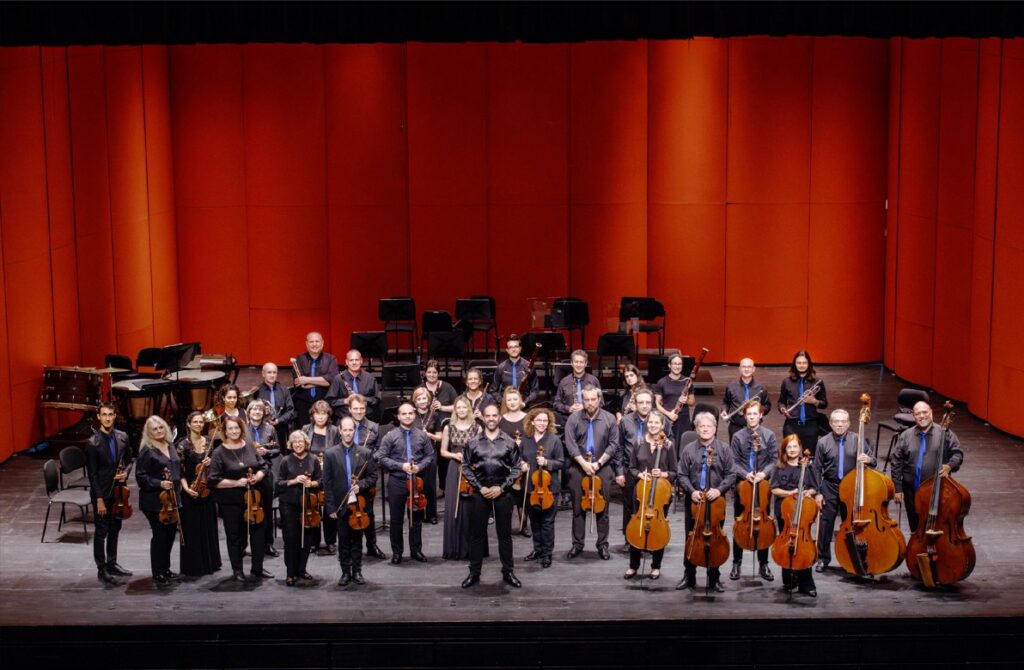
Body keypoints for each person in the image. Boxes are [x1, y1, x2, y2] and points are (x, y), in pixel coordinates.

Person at [460, 404, 523, 589]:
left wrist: (501, 488)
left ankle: (508, 572)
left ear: (499, 418)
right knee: (477, 535)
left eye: (494, 415)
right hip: (480, 493)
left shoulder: (509, 442)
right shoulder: (473, 442)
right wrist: (480, 488)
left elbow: (517, 468)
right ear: (484, 418)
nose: (491, 419)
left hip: (502, 493)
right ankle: (474, 573)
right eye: (488, 416)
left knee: (505, 535)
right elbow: (465, 467)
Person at [675, 412, 736, 592]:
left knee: (715, 540)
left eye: (709, 426)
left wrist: (718, 490)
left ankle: (714, 578)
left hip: (716, 502)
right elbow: (681, 474)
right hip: (694, 501)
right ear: (696, 429)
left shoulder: (724, 449)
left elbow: (731, 474)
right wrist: (692, 491)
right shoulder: (689, 449)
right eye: (701, 426)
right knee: (691, 538)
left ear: (715, 429)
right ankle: (689, 576)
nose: (705, 429)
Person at [208, 415, 271, 582]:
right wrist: (237, 483)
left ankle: (257, 568)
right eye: (230, 428)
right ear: (225, 431)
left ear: (241, 429)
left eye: (236, 428)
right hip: (231, 501)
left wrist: (257, 476)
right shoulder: (219, 452)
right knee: (235, 535)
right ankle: (237, 570)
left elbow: (264, 466)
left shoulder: (249, 446)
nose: (234, 431)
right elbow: (213, 480)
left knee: (258, 533)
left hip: (254, 498)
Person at [813, 409, 875, 572]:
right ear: (830, 423)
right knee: (825, 524)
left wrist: (868, 459)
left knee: (852, 524)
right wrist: (818, 492)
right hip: (830, 486)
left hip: (851, 487)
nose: (839, 425)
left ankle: (853, 559)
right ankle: (823, 558)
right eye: (836, 421)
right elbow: (817, 469)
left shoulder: (858, 439)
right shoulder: (823, 442)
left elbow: (873, 461)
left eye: (843, 421)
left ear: (848, 423)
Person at [563, 384, 621, 560]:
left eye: (593, 399)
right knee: (578, 508)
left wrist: (598, 463)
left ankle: (602, 545)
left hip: (602, 466)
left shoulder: (609, 419)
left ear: (599, 399)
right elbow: (570, 444)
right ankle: (577, 544)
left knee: (602, 509)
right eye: (586, 399)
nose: (589, 403)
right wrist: (583, 464)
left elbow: (613, 444)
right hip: (578, 466)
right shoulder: (573, 419)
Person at [891, 401, 964, 533]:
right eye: (918, 413)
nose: (922, 416)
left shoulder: (945, 433)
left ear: (931, 413)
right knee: (915, 529)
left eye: (925, 412)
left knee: (936, 528)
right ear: (914, 416)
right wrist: (898, 488)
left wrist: (949, 466)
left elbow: (957, 454)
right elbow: (896, 461)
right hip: (911, 491)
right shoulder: (906, 435)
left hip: (937, 491)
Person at [376, 403, 434, 564]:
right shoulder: (390, 436)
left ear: (414, 415)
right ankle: (397, 552)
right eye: (404, 414)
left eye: (410, 413)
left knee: (416, 519)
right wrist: (400, 466)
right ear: (398, 416)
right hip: (397, 480)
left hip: (417, 481)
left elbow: (429, 456)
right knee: (396, 519)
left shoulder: (422, 436)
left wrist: (419, 467)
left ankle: (416, 550)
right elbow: (382, 458)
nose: (408, 416)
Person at [323, 417, 378, 586]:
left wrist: (360, 485)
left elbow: (373, 477)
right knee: (343, 540)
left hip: (359, 504)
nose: (348, 433)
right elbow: (327, 483)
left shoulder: (365, 452)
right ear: (340, 431)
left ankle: (357, 571)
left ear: (354, 431)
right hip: (340, 504)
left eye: (350, 430)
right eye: (345, 430)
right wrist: (330, 507)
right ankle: (345, 572)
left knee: (357, 540)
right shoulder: (330, 454)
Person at [728, 401, 778, 581]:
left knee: (763, 525)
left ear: (761, 415)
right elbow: (733, 462)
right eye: (748, 414)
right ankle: (737, 562)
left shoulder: (769, 435)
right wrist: (745, 474)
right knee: (739, 524)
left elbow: (774, 460)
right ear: (744, 416)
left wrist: (763, 474)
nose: (751, 417)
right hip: (743, 486)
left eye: (755, 414)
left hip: (762, 486)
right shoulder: (738, 436)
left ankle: (763, 564)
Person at [84, 402, 133, 584]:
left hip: (119, 492)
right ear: (98, 417)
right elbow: (92, 475)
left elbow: (130, 461)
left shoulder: (123, 437)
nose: (107, 418)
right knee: (101, 531)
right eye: (104, 414)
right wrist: (99, 499)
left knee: (115, 528)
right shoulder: (92, 443)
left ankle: (112, 563)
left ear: (114, 416)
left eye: (110, 414)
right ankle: (102, 568)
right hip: (102, 494)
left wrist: (126, 472)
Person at [624, 411, 676, 580]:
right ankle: (633, 566)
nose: (653, 425)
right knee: (637, 527)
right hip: (641, 491)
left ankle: (656, 566)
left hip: (661, 493)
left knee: (658, 528)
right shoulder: (639, 442)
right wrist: (640, 474)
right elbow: (631, 468)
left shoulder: (668, 445)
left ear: (662, 425)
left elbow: (674, 471)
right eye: (650, 422)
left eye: (656, 423)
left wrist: (663, 474)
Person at [617, 389, 673, 539]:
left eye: (648, 402)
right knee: (630, 508)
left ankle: (653, 537)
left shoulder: (662, 421)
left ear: (652, 403)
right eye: (641, 402)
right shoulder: (625, 421)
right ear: (635, 404)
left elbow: (669, 444)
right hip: (632, 470)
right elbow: (619, 447)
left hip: (656, 475)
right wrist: (620, 471)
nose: (644, 405)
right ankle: (630, 539)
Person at [134, 415, 183, 587]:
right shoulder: (147, 451)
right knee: (160, 536)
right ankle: (158, 572)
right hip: (154, 501)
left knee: (169, 535)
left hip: (172, 499)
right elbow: (141, 478)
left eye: (161, 427)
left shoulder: (170, 445)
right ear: (148, 433)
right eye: (154, 429)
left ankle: (166, 568)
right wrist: (159, 483)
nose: (159, 431)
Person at [770, 434, 819, 597]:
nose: (792, 450)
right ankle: (789, 581)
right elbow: (774, 489)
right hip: (785, 511)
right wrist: (790, 493)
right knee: (787, 543)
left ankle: (806, 584)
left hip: (803, 511)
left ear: (800, 448)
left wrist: (808, 492)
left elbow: (814, 487)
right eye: (788, 447)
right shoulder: (779, 467)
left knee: (803, 545)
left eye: (795, 446)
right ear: (784, 449)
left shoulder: (808, 466)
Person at [176, 411, 222, 578]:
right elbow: (179, 471)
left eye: (201, 422)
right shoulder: (182, 445)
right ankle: (194, 566)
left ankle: (210, 563)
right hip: (190, 490)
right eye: (195, 422)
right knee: (192, 529)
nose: (198, 424)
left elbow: (216, 468)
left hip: (206, 490)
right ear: (188, 424)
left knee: (208, 527)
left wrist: (211, 462)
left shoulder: (209, 442)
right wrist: (186, 489)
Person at [275, 431, 321, 586]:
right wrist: (294, 481)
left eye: (300, 441)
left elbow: (321, 480)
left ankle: (302, 569)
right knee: (291, 538)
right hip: (289, 504)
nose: (298, 444)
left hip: (308, 505)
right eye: (295, 442)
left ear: (306, 443)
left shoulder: (313, 459)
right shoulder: (286, 461)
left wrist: (311, 483)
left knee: (306, 538)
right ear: (291, 444)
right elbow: (279, 483)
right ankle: (290, 572)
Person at [519, 407, 563, 569]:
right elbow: (518, 458)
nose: (542, 423)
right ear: (532, 421)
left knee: (547, 523)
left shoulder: (554, 440)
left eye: (545, 420)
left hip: (549, 489)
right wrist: (522, 464)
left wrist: (547, 462)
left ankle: (547, 553)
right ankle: (537, 550)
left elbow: (561, 462)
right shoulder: (526, 439)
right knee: (535, 522)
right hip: (531, 488)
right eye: (539, 420)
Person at [440, 396, 482, 560]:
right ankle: (454, 548)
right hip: (454, 468)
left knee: (472, 506)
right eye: (459, 407)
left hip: (472, 468)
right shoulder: (448, 428)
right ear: (455, 410)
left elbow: (482, 451)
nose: (462, 410)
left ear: (469, 409)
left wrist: (471, 458)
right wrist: (454, 455)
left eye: (464, 407)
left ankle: (472, 549)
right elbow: (443, 451)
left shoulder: (477, 428)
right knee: (454, 506)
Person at [302, 400, 341, 555]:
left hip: (330, 474)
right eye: (317, 413)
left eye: (323, 414)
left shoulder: (334, 430)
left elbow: (338, 451)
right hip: (312, 474)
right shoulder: (306, 429)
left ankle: (331, 541)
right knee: (313, 508)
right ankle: (314, 542)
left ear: (328, 415)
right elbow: (302, 451)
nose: (320, 417)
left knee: (330, 508)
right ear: (313, 415)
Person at [349, 394, 386, 559]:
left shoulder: (373, 427)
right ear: (350, 409)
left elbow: (380, 450)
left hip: (367, 474)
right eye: (355, 409)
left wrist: (369, 460)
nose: (359, 411)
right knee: (349, 510)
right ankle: (351, 546)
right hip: (349, 473)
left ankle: (372, 545)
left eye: (362, 408)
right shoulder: (344, 426)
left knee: (368, 511)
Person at [247, 399, 280, 558]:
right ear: (249, 412)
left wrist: (266, 452)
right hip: (247, 472)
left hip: (266, 472)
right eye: (254, 409)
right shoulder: (242, 428)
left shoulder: (270, 429)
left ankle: (268, 544)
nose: (257, 412)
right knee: (247, 509)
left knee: (266, 509)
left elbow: (277, 449)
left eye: (260, 410)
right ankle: (247, 545)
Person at [778, 350, 828, 457]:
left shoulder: (817, 381)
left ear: (809, 364)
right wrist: (782, 408)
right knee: (789, 456)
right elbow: (781, 402)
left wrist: (814, 401)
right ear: (794, 364)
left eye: (804, 363)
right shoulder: (786, 382)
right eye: (799, 363)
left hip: (810, 425)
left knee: (809, 457)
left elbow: (824, 404)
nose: (801, 365)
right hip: (791, 425)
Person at [291, 331, 339, 428]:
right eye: (311, 341)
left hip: (325, 401)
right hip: (303, 403)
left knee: (325, 430)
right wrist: (323, 381)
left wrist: (307, 379)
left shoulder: (331, 359)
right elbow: (300, 383)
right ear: (306, 344)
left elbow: (333, 380)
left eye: (317, 341)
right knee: (305, 432)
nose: (314, 344)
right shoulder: (298, 359)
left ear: (322, 343)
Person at [411, 386, 443, 524]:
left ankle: (431, 514)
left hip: (430, 453)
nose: (422, 401)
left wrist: (428, 434)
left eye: (424, 398)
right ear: (415, 401)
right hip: (415, 453)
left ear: (429, 400)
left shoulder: (434, 415)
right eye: (419, 399)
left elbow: (440, 437)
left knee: (430, 485)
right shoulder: (411, 414)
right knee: (417, 485)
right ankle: (418, 511)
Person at [720, 358, 771, 440]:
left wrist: (759, 411)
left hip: (755, 427)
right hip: (735, 427)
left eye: (749, 367)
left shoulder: (761, 388)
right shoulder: (731, 386)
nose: (746, 369)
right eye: (744, 367)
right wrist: (724, 410)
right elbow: (726, 402)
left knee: (754, 447)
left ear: (753, 369)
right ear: (739, 369)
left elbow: (767, 405)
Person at [326, 349, 379, 421]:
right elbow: (329, 401)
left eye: (357, 360)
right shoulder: (338, 378)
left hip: (366, 419)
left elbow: (376, 400)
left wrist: (361, 399)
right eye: (351, 360)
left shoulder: (370, 378)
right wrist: (345, 401)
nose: (354, 362)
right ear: (346, 362)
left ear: (361, 361)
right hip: (344, 419)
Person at [489, 334, 540, 406]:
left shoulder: (528, 366)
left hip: (524, 406)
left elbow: (535, 391)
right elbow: (493, 391)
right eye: (510, 347)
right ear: (507, 350)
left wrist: (525, 403)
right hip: (505, 406)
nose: (513, 349)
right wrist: (503, 402)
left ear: (520, 348)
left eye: (516, 346)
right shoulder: (501, 367)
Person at [655, 353, 697, 438]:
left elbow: (692, 402)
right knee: (665, 442)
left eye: (679, 364)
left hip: (683, 419)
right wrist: (668, 414)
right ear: (669, 365)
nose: (677, 366)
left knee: (683, 443)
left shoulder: (687, 381)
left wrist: (686, 400)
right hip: (667, 418)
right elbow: (657, 404)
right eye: (674, 364)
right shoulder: (662, 382)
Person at [257, 362, 296, 450]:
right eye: (269, 372)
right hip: (262, 428)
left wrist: (279, 420)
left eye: (274, 372)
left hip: (280, 427)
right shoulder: (257, 391)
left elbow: (291, 410)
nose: (272, 375)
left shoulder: (284, 390)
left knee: (281, 451)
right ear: (263, 374)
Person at [553, 349, 600, 420]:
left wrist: (585, 407)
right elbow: (556, 403)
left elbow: (601, 403)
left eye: (581, 362)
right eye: (576, 362)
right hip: (569, 419)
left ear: (586, 364)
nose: (578, 365)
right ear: (572, 363)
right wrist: (569, 408)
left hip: (589, 419)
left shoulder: (593, 380)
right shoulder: (564, 381)